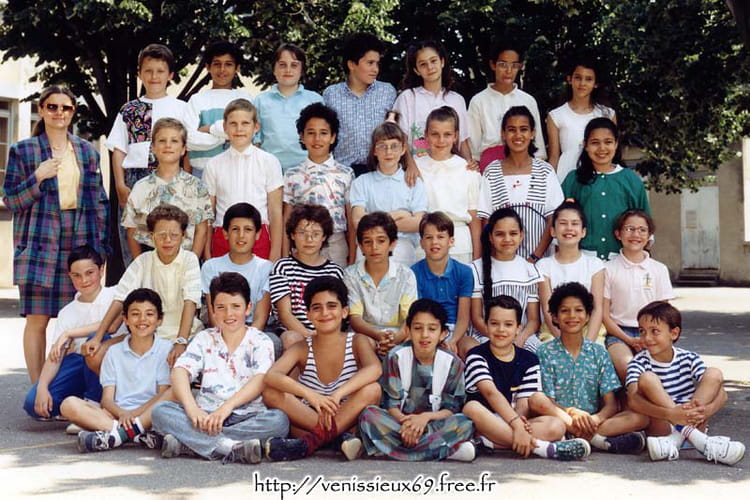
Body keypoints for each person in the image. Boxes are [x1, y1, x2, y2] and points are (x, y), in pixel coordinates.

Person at [3, 85, 109, 384]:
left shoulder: (87, 152)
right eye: (52, 107)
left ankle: (71, 387)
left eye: (65, 107)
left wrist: (100, 248)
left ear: (73, 112)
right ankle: (38, 389)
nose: (59, 113)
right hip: (39, 244)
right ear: (41, 110)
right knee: (37, 321)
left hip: (79, 244)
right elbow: (11, 200)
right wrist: (37, 177)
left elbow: (100, 201)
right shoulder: (23, 151)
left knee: (81, 318)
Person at [151, 273, 290, 463]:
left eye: (236, 306)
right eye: (221, 308)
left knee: (279, 421)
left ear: (248, 308)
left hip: (247, 416)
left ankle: (191, 444)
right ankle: (229, 447)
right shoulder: (204, 338)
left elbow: (260, 379)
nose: (229, 314)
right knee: (160, 411)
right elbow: (180, 371)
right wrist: (192, 409)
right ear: (213, 311)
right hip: (204, 416)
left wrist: (226, 408)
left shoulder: (261, 341)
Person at [263, 276, 382, 461]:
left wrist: (338, 394)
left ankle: (308, 443)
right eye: (317, 308)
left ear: (344, 311)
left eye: (331, 306)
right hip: (310, 418)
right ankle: (336, 439)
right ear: (309, 315)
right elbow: (272, 376)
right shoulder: (302, 347)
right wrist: (311, 395)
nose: (325, 313)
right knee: (270, 392)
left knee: (373, 389)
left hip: (346, 416)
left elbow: (375, 369)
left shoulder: (357, 341)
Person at [463, 296, 591, 460]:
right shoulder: (476, 355)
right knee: (471, 408)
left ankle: (488, 443)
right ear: (486, 326)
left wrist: (521, 427)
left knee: (556, 425)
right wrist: (517, 425)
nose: (501, 330)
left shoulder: (529, 359)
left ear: (518, 328)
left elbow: (523, 403)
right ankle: (543, 448)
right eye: (494, 323)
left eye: (508, 324)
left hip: (512, 421)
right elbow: (490, 393)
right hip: (484, 421)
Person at [82, 204, 202, 370]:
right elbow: (120, 299)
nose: (168, 240)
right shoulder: (143, 261)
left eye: (174, 235)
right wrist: (98, 337)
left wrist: (181, 342)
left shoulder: (189, 260)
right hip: (145, 333)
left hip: (182, 333)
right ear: (152, 236)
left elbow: (191, 302)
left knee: (175, 365)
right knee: (95, 356)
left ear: (183, 236)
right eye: (161, 235)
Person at [534, 282, 649, 454]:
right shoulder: (545, 352)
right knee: (538, 401)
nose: (572, 316)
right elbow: (547, 403)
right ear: (555, 317)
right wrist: (572, 413)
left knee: (641, 417)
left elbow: (611, 404)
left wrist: (595, 419)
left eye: (579, 310)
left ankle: (582, 436)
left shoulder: (598, 352)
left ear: (588, 316)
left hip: (593, 421)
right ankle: (596, 439)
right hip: (560, 419)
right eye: (565, 311)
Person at [627, 301, 746, 465]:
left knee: (714, 373)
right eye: (642, 331)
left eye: (654, 331)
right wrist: (671, 414)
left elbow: (722, 394)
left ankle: (678, 438)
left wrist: (706, 411)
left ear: (674, 333)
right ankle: (703, 443)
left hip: (695, 422)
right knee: (647, 378)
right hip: (662, 425)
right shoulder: (638, 363)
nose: (647, 338)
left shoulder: (689, 358)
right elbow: (633, 400)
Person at [358, 299, 475, 461]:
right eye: (418, 328)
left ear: (443, 333)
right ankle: (444, 451)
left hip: (434, 423)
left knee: (464, 423)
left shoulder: (453, 363)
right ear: (408, 330)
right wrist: (408, 424)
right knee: (369, 415)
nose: (424, 335)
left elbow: (452, 408)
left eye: (432, 329)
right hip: (400, 424)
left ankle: (392, 450)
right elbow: (391, 404)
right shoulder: (395, 357)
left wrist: (424, 418)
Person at [61, 288, 171, 452]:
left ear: (159, 320)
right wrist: (122, 413)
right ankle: (136, 436)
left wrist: (134, 414)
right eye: (135, 314)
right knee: (68, 404)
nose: (142, 319)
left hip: (151, 415)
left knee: (169, 402)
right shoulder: (113, 352)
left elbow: (163, 395)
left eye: (149, 314)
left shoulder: (166, 349)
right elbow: (107, 400)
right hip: (118, 416)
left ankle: (118, 434)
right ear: (125, 319)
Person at [106, 43, 186, 265]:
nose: (154, 76)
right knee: (134, 241)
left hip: (170, 178)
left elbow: (187, 150)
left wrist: (184, 179)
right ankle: (137, 282)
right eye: (148, 71)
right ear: (139, 74)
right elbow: (119, 149)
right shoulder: (129, 109)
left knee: (167, 238)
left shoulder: (181, 108)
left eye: (160, 71)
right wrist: (120, 185)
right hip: (134, 179)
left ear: (170, 75)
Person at [23, 246, 120, 422]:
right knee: (34, 403)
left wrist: (69, 333)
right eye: (77, 275)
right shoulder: (67, 312)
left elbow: (112, 325)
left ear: (101, 269)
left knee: (95, 341)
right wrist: (42, 387)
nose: (84, 280)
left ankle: (93, 403)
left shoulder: (116, 295)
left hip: (114, 363)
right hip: (79, 364)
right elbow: (56, 355)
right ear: (70, 276)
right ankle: (77, 404)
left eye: (90, 273)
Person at [477, 106, 563, 261]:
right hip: (502, 261)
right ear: (503, 134)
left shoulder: (545, 171)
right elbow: (486, 219)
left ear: (533, 133)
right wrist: (495, 257)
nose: (518, 135)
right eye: (511, 130)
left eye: (523, 129)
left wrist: (535, 257)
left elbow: (553, 218)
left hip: (539, 261)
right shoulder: (492, 171)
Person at [203, 98, 283, 261]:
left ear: (256, 127)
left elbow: (275, 212)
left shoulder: (269, 162)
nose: (239, 129)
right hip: (223, 238)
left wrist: (275, 252)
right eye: (233, 124)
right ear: (225, 127)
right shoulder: (213, 164)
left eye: (245, 123)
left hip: (259, 238)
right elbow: (208, 214)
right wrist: (207, 251)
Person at [122, 118, 212, 259]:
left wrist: (191, 264)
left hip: (185, 259)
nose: (168, 145)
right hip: (150, 259)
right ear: (153, 147)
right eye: (162, 141)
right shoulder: (140, 187)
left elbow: (202, 230)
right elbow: (131, 230)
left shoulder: (197, 187)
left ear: (183, 149)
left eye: (174, 141)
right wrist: (141, 265)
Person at [562, 117, 650, 261]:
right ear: (585, 145)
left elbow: (644, 223)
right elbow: (561, 221)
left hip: (622, 260)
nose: (602, 148)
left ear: (616, 144)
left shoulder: (631, 180)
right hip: (582, 259)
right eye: (595, 143)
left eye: (608, 142)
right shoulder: (574, 179)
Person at [604, 210, 674, 382]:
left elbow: (663, 314)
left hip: (652, 332)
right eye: (629, 229)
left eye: (642, 230)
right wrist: (629, 339)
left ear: (649, 235)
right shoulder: (607, 269)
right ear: (618, 234)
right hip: (618, 333)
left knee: (658, 371)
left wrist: (648, 336)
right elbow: (604, 315)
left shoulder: (659, 269)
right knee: (628, 367)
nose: (636, 235)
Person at [462, 208, 542, 357]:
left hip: (521, 336)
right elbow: (477, 318)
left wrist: (519, 338)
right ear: (491, 237)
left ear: (521, 235)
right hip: (487, 335)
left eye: (513, 233)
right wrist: (498, 337)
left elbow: (533, 320)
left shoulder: (530, 270)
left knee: (540, 354)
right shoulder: (475, 269)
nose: (507, 239)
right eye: (500, 234)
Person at [283, 102, 354, 267]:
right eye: (311, 133)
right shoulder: (292, 175)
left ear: (333, 137)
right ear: (302, 136)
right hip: (302, 245)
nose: (317, 139)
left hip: (336, 245)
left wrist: (352, 258)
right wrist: (285, 256)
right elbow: (286, 220)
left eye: (323, 133)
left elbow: (351, 221)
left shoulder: (346, 174)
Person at [350, 121, 427, 266]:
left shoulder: (414, 182)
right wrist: (399, 214)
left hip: (403, 248)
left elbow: (419, 222)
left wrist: (374, 222)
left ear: (403, 149)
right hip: (369, 248)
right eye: (382, 146)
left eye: (394, 146)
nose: (388, 152)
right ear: (374, 150)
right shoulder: (361, 182)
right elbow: (358, 222)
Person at [269, 204, 344, 350]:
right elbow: (285, 314)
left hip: (327, 331)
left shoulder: (335, 272)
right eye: (302, 233)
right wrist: (309, 335)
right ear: (292, 235)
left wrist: (323, 334)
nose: (309, 239)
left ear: (324, 237)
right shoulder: (282, 267)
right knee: (292, 339)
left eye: (315, 234)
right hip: (293, 331)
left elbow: (338, 313)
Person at [323, 32, 397, 177]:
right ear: (351, 64)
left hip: (380, 172)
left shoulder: (387, 92)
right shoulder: (331, 94)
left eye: (377, 63)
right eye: (370, 63)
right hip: (342, 173)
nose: (375, 69)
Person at [344, 212, 418, 356]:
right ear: (360, 246)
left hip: (398, 335)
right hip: (363, 335)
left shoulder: (406, 275)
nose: (374, 247)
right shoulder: (351, 275)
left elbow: (409, 317)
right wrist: (378, 336)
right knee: (363, 345)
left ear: (392, 243)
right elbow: (355, 318)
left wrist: (394, 340)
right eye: (367, 242)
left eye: (381, 241)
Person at [415, 106, 482, 264]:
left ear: (455, 136)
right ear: (426, 135)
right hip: (424, 245)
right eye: (435, 134)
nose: (441, 140)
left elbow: (474, 219)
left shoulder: (468, 170)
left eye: (447, 134)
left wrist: (477, 260)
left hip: (460, 246)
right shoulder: (415, 168)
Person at [467, 40, 546, 171]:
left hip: (524, 162)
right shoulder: (478, 101)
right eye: (503, 65)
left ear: (520, 66)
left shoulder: (528, 100)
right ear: (493, 65)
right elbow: (474, 147)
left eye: (514, 65)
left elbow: (538, 145)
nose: (508, 71)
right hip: (490, 163)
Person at [183, 40, 254, 179]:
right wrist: (225, 138)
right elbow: (188, 140)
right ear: (208, 67)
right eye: (217, 64)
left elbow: (249, 137)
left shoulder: (245, 99)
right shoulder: (197, 100)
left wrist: (209, 129)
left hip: (239, 171)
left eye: (228, 64)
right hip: (202, 172)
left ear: (237, 68)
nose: (222, 69)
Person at [537, 199, 605, 342]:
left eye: (575, 224)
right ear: (553, 231)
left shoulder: (595, 265)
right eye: (563, 223)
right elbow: (547, 309)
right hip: (554, 331)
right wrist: (565, 343)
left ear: (583, 232)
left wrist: (588, 344)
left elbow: (597, 309)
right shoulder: (543, 266)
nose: (569, 228)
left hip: (589, 330)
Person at [393, 40, 471, 161]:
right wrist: (411, 166)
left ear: (442, 62)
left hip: (450, 167)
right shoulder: (407, 98)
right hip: (417, 167)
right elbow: (400, 139)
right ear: (416, 70)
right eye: (423, 64)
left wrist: (469, 164)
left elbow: (462, 141)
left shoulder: (457, 100)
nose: (430, 67)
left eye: (433, 61)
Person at [201, 203, 273, 333]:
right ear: (225, 233)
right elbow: (214, 316)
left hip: (254, 332)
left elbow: (260, 319)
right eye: (235, 229)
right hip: (220, 330)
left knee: (274, 341)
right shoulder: (211, 267)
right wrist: (227, 339)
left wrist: (244, 341)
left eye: (248, 229)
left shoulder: (266, 268)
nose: (241, 235)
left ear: (257, 234)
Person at [254, 43, 324, 173]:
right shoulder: (260, 101)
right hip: (269, 170)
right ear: (274, 70)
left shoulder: (315, 100)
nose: (288, 70)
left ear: (302, 70)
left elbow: (323, 138)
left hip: (307, 170)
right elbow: (256, 139)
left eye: (294, 65)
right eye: (282, 65)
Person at [410, 212, 473, 355]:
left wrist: (453, 340)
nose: (434, 242)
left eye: (440, 237)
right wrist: (435, 337)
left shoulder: (464, 272)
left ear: (451, 241)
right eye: (429, 237)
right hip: (427, 330)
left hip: (456, 332)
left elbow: (463, 318)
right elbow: (418, 313)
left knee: (472, 349)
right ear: (421, 242)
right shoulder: (413, 273)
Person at [547, 55, 616, 182]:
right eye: (578, 78)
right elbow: (554, 157)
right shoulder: (556, 115)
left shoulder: (607, 114)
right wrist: (550, 185)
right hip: (567, 177)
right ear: (569, 79)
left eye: (588, 79)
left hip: (600, 178)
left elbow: (613, 153)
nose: (582, 83)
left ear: (596, 84)